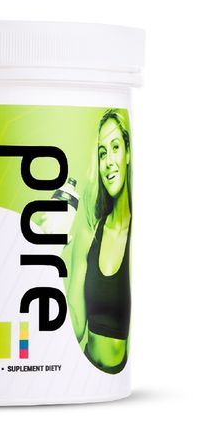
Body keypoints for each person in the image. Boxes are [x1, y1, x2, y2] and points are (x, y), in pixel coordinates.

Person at [66, 109, 131, 374]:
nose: (109, 161)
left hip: (119, 377)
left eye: (115, 147)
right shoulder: (89, 234)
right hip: (85, 371)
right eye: (102, 153)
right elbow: (76, 326)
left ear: (128, 153)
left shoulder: (139, 234)